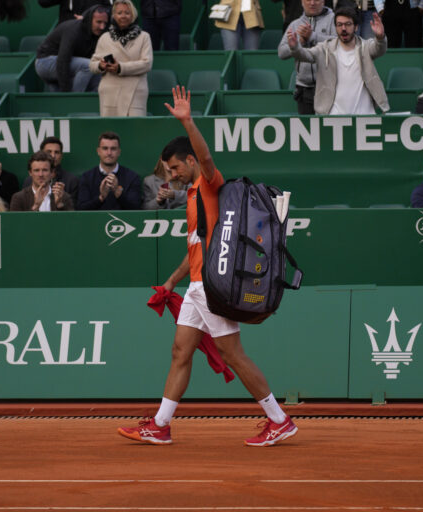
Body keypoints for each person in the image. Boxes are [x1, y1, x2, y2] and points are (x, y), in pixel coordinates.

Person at [118, 86, 298, 447]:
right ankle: (161, 425)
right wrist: (171, 283)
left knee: (233, 354)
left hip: (212, 287)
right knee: (181, 352)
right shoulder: (190, 198)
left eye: (174, 168)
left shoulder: (209, 184)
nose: (171, 175)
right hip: (196, 286)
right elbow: (196, 248)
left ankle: (279, 420)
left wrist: (188, 123)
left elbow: (207, 157)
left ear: (188, 161)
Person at [285, 7, 389, 115]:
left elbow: (379, 49)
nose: (343, 28)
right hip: (334, 117)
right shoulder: (325, 48)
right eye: (339, 25)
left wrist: (380, 38)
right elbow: (305, 55)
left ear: (356, 27)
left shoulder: (366, 47)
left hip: (365, 114)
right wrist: (295, 47)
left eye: (348, 24)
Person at [89, 0, 152, 117]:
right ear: (113, 15)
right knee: (110, 132)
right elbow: (92, 65)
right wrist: (100, 65)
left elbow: (147, 64)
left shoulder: (144, 37)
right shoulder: (105, 38)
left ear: (133, 15)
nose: (123, 16)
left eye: (127, 13)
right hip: (110, 93)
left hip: (135, 92)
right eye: (119, 13)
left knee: (134, 131)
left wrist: (120, 68)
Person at [277, 0, 335, 115]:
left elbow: (340, 44)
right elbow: (281, 53)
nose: (312, 3)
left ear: (323, 1)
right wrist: (298, 44)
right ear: (302, 2)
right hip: (304, 88)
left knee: (329, 130)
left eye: (316, 0)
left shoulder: (334, 19)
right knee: (308, 130)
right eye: (308, 0)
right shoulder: (295, 24)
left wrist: (313, 36)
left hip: (330, 87)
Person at [35, 4, 109, 92]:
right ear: (90, 20)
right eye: (99, 22)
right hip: (45, 62)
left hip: (64, 64)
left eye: (105, 23)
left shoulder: (96, 33)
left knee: (96, 69)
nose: (102, 27)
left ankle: (91, 102)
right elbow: (63, 61)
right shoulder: (74, 30)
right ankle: (74, 99)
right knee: (88, 66)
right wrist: (67, 94)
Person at [77, 131, 143, 210]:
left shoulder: (132, 177)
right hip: (94, 222)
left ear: (119, 152)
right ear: (98, 151)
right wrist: (101, 198)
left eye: (113, 149)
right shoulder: (86, 177)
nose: (109, 153)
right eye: (105, 148)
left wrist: (117, 192)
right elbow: (81, 210)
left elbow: (136, 209)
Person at [22, 136, 80, 204]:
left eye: (57, 152)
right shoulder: (29, 181)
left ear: (61, 155)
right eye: (49, 151)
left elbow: (73, 211)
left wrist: (60, 203)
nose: (53, 156)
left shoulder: (71, 180)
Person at [10, 151, 74, 211]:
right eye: (36, 170)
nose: (41, 174)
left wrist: (59, 205)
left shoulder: (64, 197)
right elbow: (16, 222)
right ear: (30, 173)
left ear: (52, 173)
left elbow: (72, 221)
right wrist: (36, 206)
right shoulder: (19, 198)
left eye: (45, 170)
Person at [38, 0, 111, 24]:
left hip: (92, 36)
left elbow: (109, 9)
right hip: (67, 34)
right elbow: (43, 2)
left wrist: (89, 17)